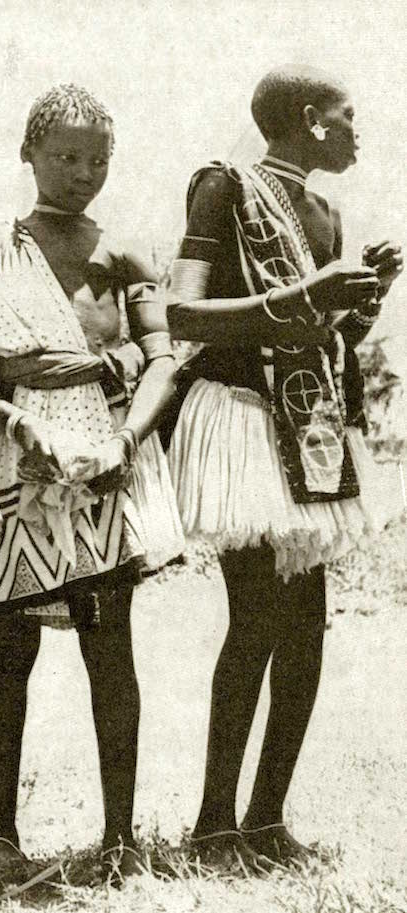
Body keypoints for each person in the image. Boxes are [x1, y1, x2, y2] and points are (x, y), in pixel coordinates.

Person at [166, 65, 402, 871]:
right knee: (256, 619)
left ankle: (266, 818)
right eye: (349, 112)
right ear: (311, 119)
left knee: (304, 629)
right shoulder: (224, 187)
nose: (360, 127)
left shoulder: (326, 210)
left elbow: (320, 332)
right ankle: (212, 823)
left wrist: (360, 303)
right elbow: (182, 314)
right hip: (238, 420)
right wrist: (308, 292)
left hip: (309, 431)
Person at [0, 84, 184, 885]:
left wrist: (124, 440)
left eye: (97, 160)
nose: (82, 173)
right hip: (24, 452)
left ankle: (119, 835)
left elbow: (162, 359)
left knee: (108, 642)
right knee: (10, 640)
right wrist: (17, 425)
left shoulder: (123, 253)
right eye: (65, 157)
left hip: (108, 456)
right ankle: (1, 838)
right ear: (29, 153)